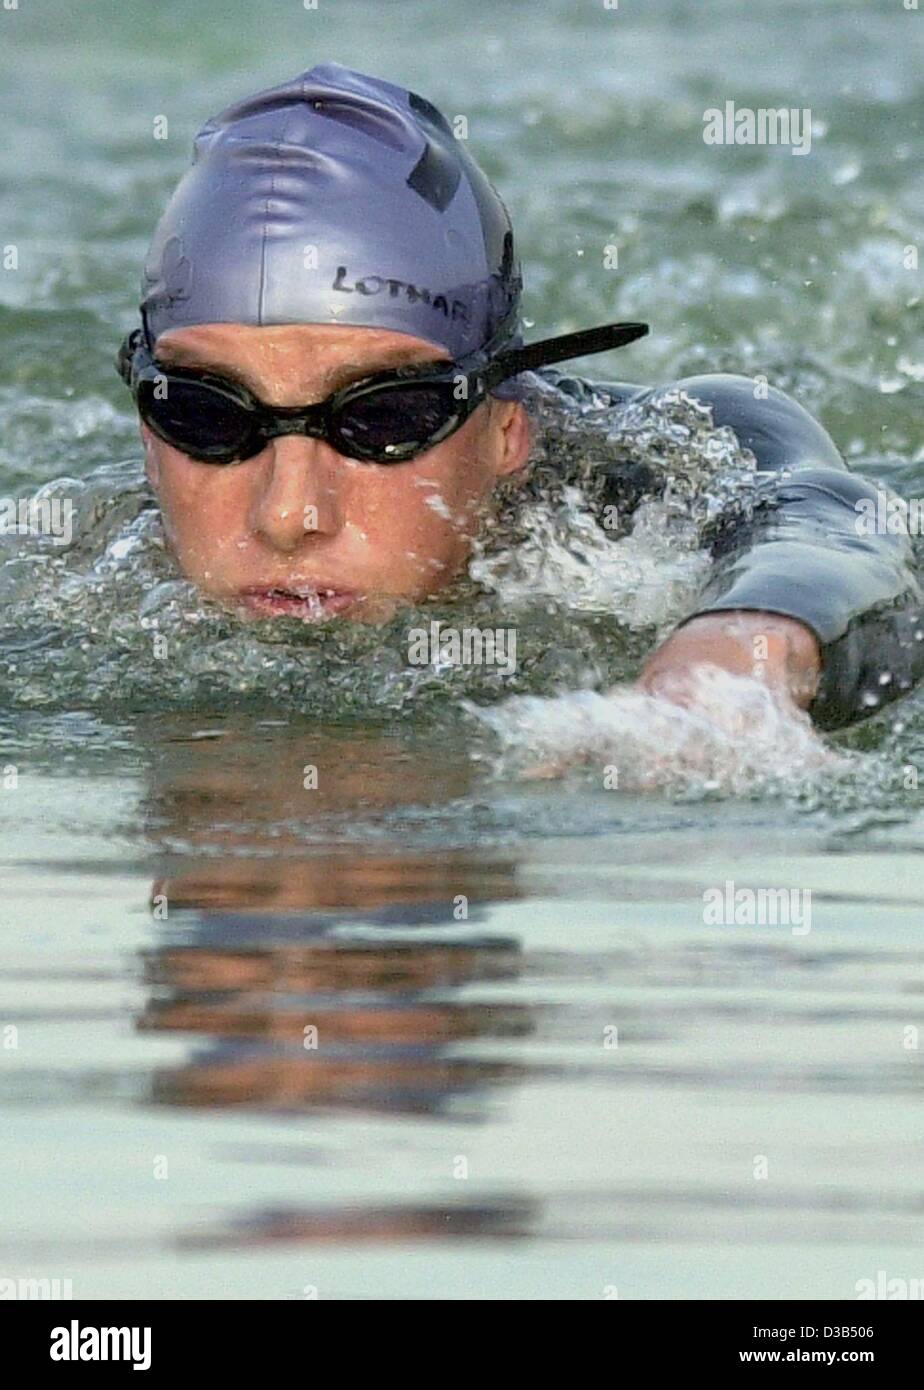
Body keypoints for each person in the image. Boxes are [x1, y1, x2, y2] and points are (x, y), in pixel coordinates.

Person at [118, 62, 924, 732]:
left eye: (384, 417)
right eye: (207, 414)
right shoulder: (84, 567)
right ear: (150, 428)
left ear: (508, 427)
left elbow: (835, 524)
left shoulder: (639, 477)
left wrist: (744, 645)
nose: (287, 516)